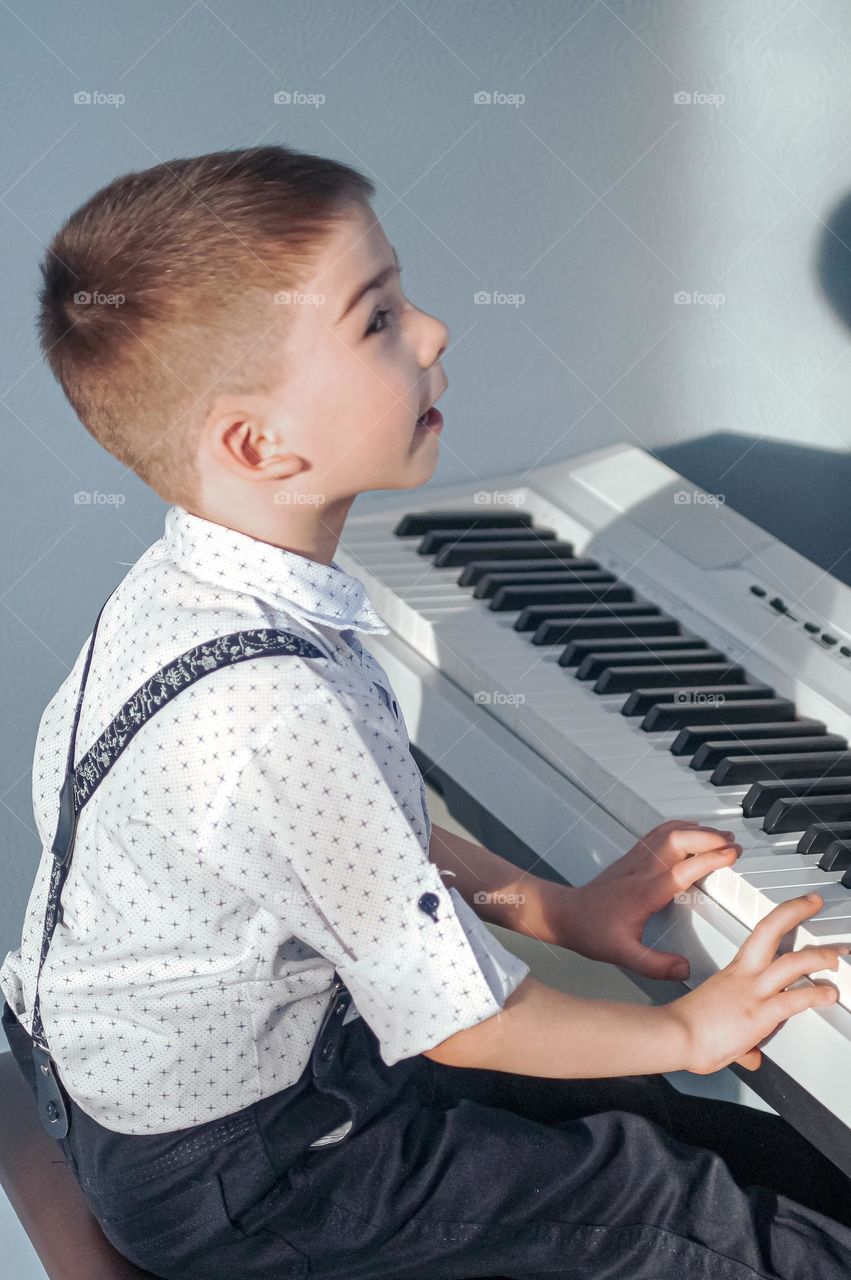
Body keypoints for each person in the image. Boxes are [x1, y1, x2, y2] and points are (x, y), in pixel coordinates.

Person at [2, 144, 851, 1280]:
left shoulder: (184, 589)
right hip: (259, 1175)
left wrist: (556, 909)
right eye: (378, 319)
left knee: (649, 1104)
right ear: (261, 444)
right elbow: (461, 1017)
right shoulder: (272, 703)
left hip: (215, 1094)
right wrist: (691, 1029)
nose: (436, 330)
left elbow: (356, 836)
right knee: (673, 1206)